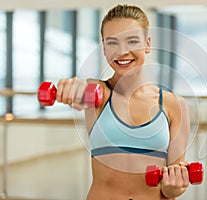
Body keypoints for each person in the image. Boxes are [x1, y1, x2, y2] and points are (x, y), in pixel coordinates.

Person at [56, 4, 191, 200]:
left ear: (147, 44)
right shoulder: (97, 93)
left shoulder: (173, 105)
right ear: (104, 48)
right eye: (112, 43)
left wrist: (174, 185)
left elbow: (172, 189)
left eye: (132, 41)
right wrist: (71, 88)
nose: (122, 51)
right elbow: (80, 90)